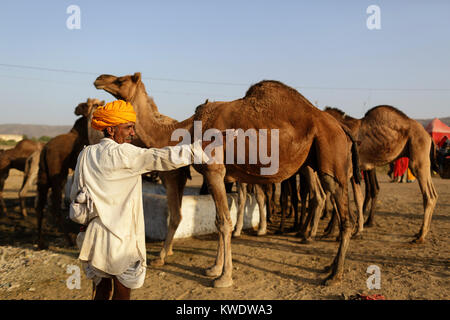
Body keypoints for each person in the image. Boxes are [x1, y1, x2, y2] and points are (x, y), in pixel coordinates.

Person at [70, 100, 210, 300]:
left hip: (94, 237)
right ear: (110, 129)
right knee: (122, 293)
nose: (133, 133)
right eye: (128, 128)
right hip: (121, 241)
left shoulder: (85, 154)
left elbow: (76, 197)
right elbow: (163, 157)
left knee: (100, 291)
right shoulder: (125, 153)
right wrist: (200, 148)